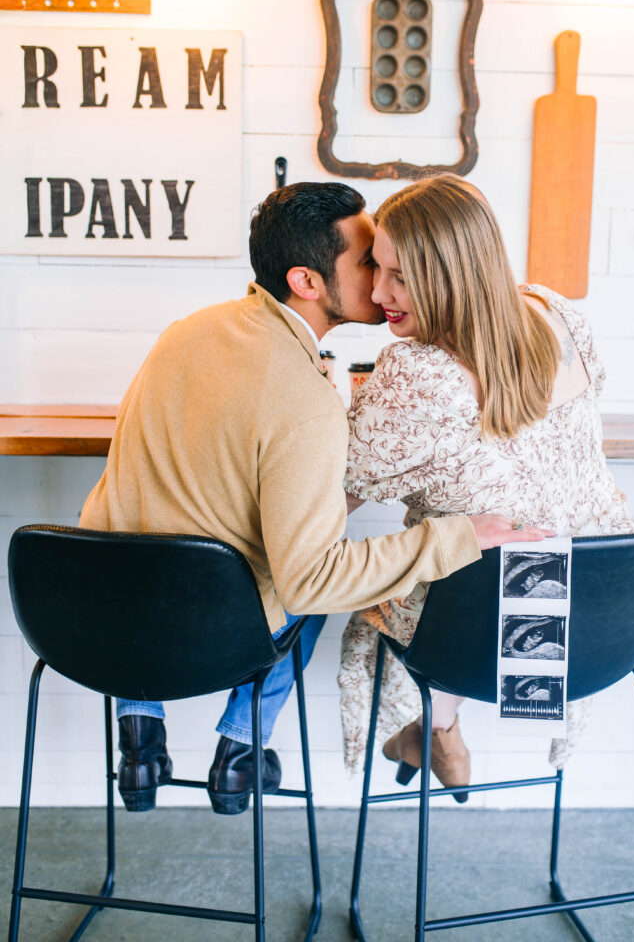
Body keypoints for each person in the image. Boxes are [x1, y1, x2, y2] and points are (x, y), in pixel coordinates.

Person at [79, 180, 548, 816]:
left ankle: (138, 734)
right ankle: (241, 746)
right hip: (209, 631)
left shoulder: (187, 331)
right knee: (320, 588)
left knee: (144, 534)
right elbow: (311, 580)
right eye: (367, 264)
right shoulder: (305, 398)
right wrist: (456, 535)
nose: (381, 286)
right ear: (307, 281)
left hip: (100, 614)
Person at [339, 174, 634, 797]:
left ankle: (438, 724)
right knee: (497, 541)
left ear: (451, 276)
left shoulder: (421, 371)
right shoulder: (556, 314)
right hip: (603, 615)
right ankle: (437, 727)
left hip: (487, 630)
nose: (377, 291)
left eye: (400, 276)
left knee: (411, 572)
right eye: (375, 268)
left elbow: (330, 491)